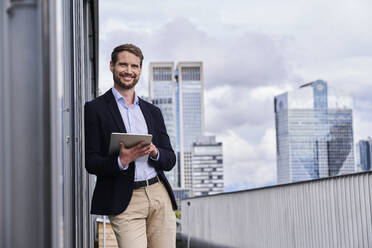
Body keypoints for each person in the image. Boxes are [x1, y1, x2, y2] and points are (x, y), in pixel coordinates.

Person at [84, 44, 177, 248]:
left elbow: (170, 159)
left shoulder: (153, 112)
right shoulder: (95, 109)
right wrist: (122, 160)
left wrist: (154, 152)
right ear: (112, 66)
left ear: (140, 70)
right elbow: (90, 162)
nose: (129, 71)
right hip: (124, 200)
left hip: (158, 194)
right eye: (123, 64)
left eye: (134, 66)